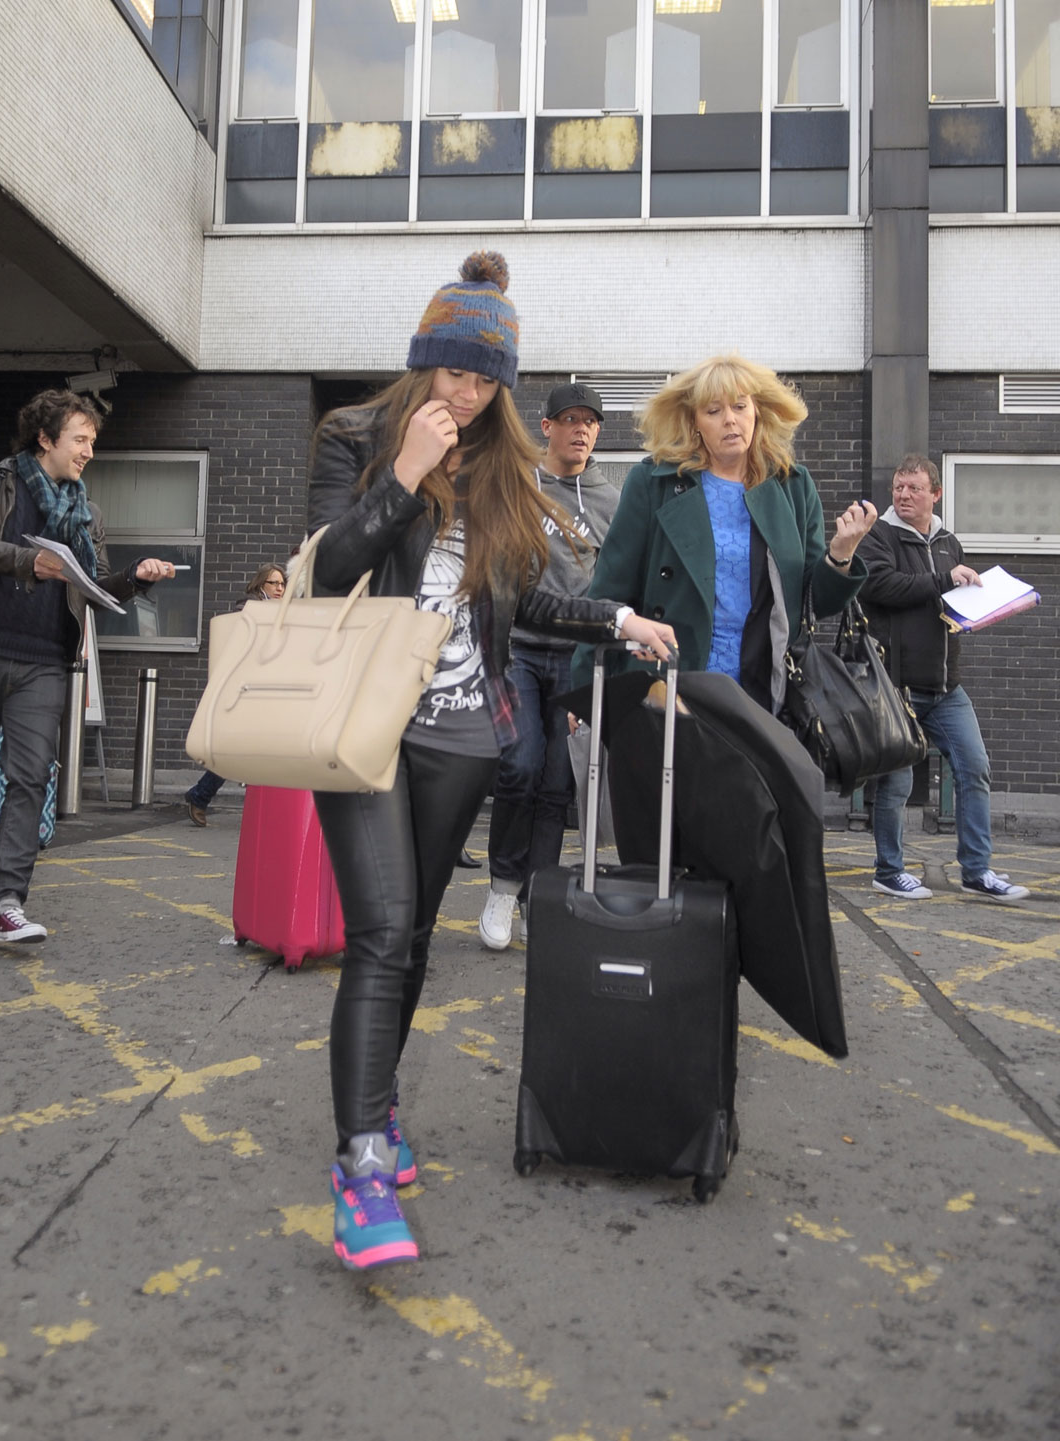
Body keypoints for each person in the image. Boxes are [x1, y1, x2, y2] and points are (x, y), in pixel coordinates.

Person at [305, 251, 675, 1271]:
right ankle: (362, 1163)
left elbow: (527, 599)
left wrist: (616, 615)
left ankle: (375, 1098)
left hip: (463, 729)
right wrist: (407, 473)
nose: (463, 396)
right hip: (364, 724)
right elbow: (331, 565)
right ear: (420, 363)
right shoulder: (355, 438)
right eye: (449, 373)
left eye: (482, 381)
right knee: (379, 932)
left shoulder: (509, 467)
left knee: (413, 934)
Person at [0, 388, 176, 943]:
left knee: (31, 777)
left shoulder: (86, 511)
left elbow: (94, 584)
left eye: (93, 441)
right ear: (46, 438)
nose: (89, 451)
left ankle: (6, 902)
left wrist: (137, 577)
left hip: (45, 660)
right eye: (80, 439)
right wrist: (27, 560)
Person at [572, 354, 876, 707]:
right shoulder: (653, 483)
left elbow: (811, 604)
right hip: (669, 680)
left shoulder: (792, 485)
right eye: (714, 411)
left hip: (763, 685)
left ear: (757, 412)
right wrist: (586, 689)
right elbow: (610, 590)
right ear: (694, 422)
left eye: (740, 406)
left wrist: (841, 553)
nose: (730, 420)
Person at [478, 381, 619, 951]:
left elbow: (615, 576)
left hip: (578, 656)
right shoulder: (520, 483)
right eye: (570, 419)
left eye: (590, 421)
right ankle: (501, 886)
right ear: (548, 427)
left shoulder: (611, 499)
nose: (581, 429)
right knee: (521, 764)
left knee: (558, 783)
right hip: (520, 645)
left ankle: (537, 895)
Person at [857, 455, 1030, 904]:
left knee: (974, 768)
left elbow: (947, 596)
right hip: (897, 685)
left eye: (914, 488)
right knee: (896, 783)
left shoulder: (949, 541)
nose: (903, 495)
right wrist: (942, 580)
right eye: (898, 487)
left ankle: (976, 870)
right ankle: (888, 871)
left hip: (946, 684)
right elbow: (879, 586)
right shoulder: (879, 536)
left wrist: (977, 608)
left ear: (936, 493)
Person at [185, 561, 286, 826]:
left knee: (260, 751)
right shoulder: (247, 609)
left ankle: (202, 797)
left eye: (282, 583)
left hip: (269, 692)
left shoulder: (283, 612)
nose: (279, 588)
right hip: (248, 691)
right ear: (260, 584)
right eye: (273, 583)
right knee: (238, 752)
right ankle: (201, 796)